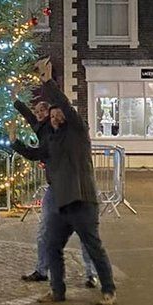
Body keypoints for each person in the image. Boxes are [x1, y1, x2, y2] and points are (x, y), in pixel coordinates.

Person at [8, 58, 116, 305]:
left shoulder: (78, 132)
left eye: (57, 113)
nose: (55, 117)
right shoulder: (51, 141)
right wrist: (15, 142)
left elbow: (65, 104)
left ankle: (108, 289)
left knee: (93, 245)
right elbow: (35, 153)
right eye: (53, 114)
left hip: (81, 199)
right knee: (52, 246)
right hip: (60, 201)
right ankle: (57, 291)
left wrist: (47, 81)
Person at [13, 91, 99, 288]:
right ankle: (43, 271)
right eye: (42, 113)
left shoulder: (72, 132)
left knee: (85, 233)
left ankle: (91, 273)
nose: (44, 115)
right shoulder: (43, 131)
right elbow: (35, 149)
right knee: (46, 232)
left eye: (48, 112)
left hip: (77, 189)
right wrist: (17, 105)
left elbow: (65, 107)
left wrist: (48, 82)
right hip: (54, 189)